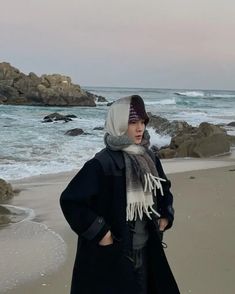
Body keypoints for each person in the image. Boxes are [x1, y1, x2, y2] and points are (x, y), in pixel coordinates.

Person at [60, 95, 180, 294]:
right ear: (118, 123)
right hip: (112, 254)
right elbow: (71, 201)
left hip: (146, 248)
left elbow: (163, 188)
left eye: (142, 122)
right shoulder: (102, 163)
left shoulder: (148, 157)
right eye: (133, 122)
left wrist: (166, 214)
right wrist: (101, 232)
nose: (140, 128)